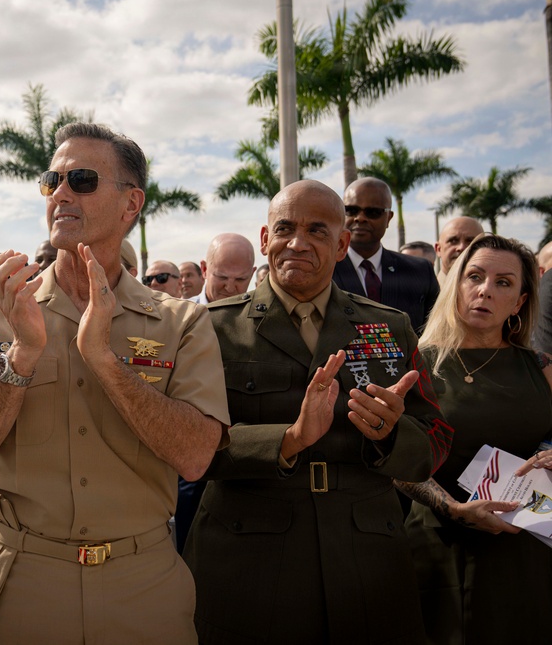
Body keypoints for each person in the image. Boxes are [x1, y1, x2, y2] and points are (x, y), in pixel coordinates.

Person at [0, 122, 229, 645]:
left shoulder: (181, 321)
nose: (61, 194)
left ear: (131, 204)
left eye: (83, 180)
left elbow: (195, 457)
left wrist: (105, 361)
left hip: (142, 589)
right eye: (52, 181)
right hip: (20, 584)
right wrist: (22, 355)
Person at [184, 179, 452, 644]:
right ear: (264, 239)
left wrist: (390, 434)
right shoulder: (210, 328)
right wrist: (288, 440)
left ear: (342, 244)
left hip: (366, 557)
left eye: (317, 231)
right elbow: (187, 445)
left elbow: (436, 438)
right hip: (248, 557)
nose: (297, 243)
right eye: (285, 228)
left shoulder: (389, 326)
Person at [396, 234, 551, 645]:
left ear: (519, 302)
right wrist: (454, 508)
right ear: (456, 284)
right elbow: (393, 459)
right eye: (475, 276)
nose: (485, 290)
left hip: (528, 545)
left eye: (503, 282)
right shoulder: (415, 364)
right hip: (441, 544)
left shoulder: (541, 368)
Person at [333, 178, 439, 333]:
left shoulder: (420, 272)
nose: (360, 218)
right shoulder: (323, 270)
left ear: (389, 218)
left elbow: (436, 332)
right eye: (351, 210)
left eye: (372, 212)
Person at [192, 233, 256, 303]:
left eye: (240, 279)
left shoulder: (259, 309)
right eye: (222, 277)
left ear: (251, 275)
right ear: (204, 269)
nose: (230, 289)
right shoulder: (184, 309)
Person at [435, 216, 483, 285]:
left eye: (470, 241)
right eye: (453, 241)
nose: (461, 247)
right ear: (438, 249)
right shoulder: (423, 291)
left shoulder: (494, 291)